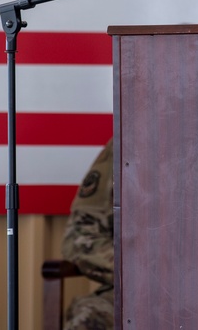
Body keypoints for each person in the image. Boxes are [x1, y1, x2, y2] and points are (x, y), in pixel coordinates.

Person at [60, 139, 114, 330]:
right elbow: (81, 235)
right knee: (89, 321)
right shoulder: (133, 139)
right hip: (140, 292)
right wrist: (143, 274)